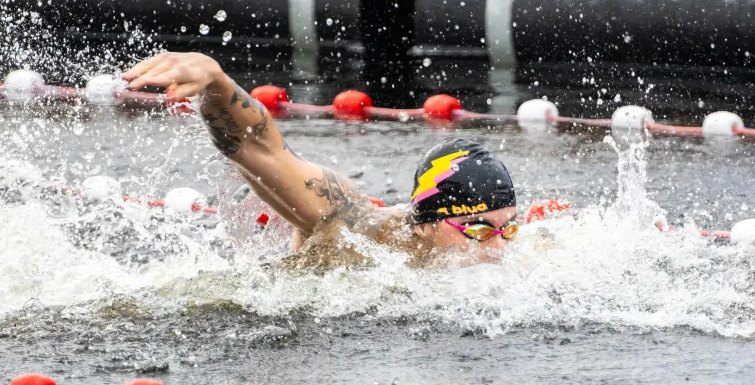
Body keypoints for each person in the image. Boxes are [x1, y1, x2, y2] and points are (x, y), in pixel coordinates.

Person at [122, 52, 519, 262]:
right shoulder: (353, 231)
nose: (498, 249)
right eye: (478, 230)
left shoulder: (513, 258)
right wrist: (216, 81)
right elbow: (258, 148)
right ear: (426, 224)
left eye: (508, 230)